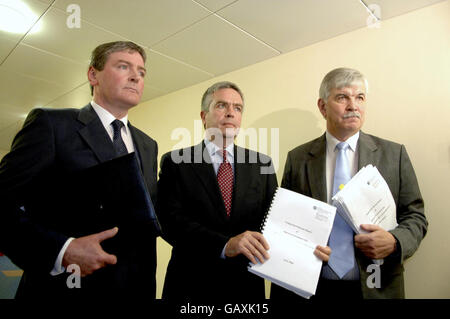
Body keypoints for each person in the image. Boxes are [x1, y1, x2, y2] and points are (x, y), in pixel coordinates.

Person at [0, 41, 159, 298]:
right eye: (123, 66)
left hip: (134, 288)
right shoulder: (52, 125)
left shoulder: (148, 145)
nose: (135, 76)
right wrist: (62, 250)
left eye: (141, 72)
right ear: (92, 74)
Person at [271, 67, 428, 300]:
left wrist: (395, 241)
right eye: (342, 97)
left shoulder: (394, 155)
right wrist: (302, 247)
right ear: (323, 107)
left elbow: (416, 217)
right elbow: (286, 223)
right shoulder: (298, 158)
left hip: (376, 286)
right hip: (313, 286)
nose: (353, 105)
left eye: (360, 98)